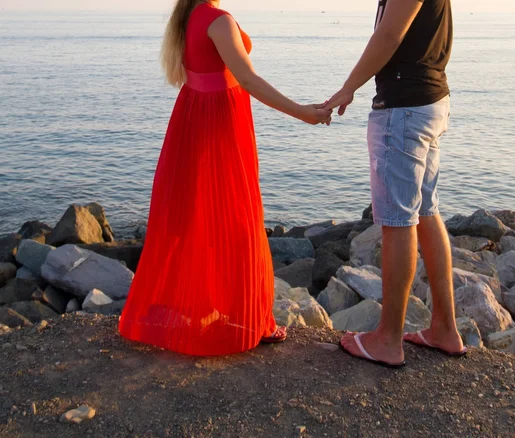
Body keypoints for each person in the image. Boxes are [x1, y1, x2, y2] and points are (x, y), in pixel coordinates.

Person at [119, 0, 332, 356]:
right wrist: (304, 113)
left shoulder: (188, 17)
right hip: (220, 128)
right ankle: (251, 319)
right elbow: (247, 79)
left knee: (200, 219)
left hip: (194, 121)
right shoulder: (218, 20)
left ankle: (202, 309)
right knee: (239, 220)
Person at [326, 0, 466, 368]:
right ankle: (444, 329)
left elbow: (389, 35)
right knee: (424, 212)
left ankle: (387, 339)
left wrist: (347, 88)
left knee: (398, 219)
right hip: (429, 99)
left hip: (404, 107)